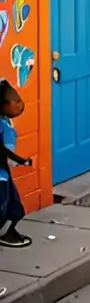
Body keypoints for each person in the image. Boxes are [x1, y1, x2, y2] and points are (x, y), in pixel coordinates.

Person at [0, 81, 31, 247]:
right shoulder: (6, 129)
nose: (20, 105)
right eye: (16, 101)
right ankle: (5, 233)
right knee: (10, 206)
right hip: (2, 177)